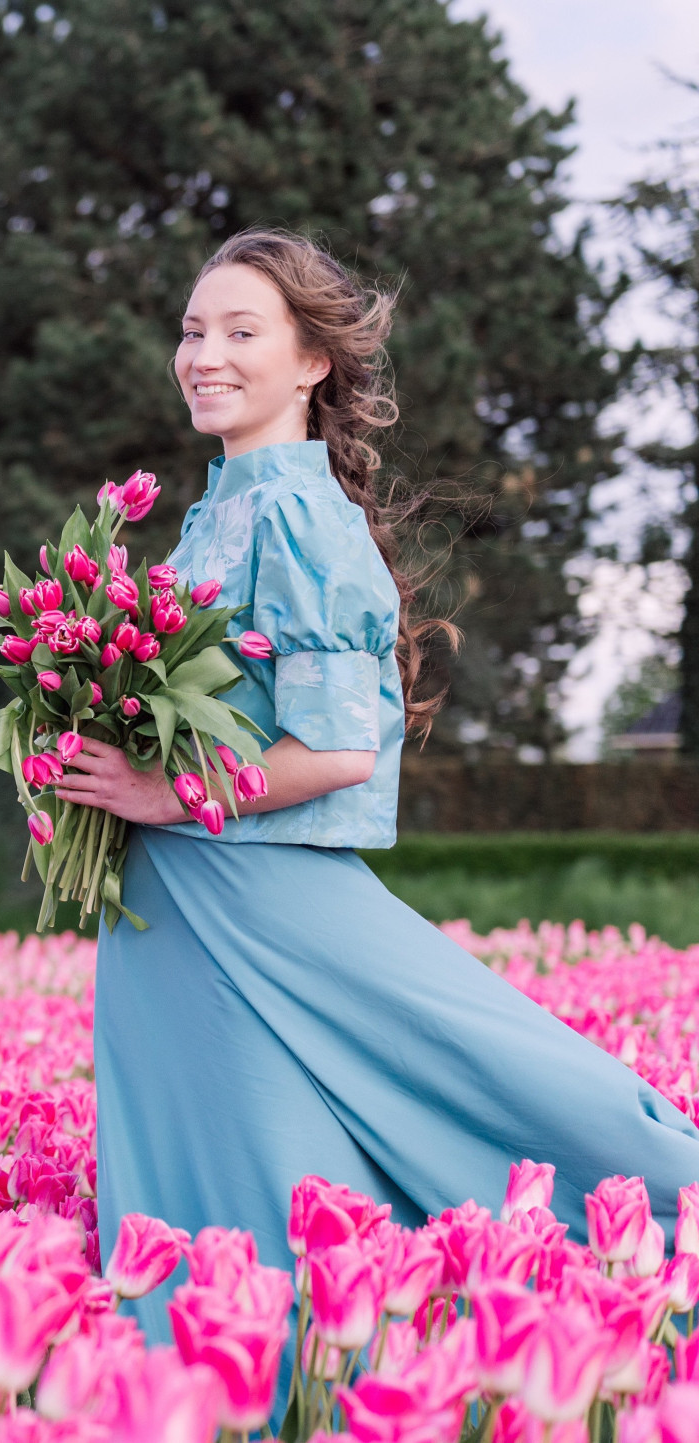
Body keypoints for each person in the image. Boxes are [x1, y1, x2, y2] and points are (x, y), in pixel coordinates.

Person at [51, 228, 699, 1417]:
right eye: (196, 329)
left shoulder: (304, 519)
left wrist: (157, 793)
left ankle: (656, 1251)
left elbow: (341, 746)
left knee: (505, 1096)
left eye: (242, 331)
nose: (204, 353)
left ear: (310, 364)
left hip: (266, 899)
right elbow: (208, 720)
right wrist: (93, 776)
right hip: (175, 911)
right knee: (248, 1181)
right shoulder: (215, 516)